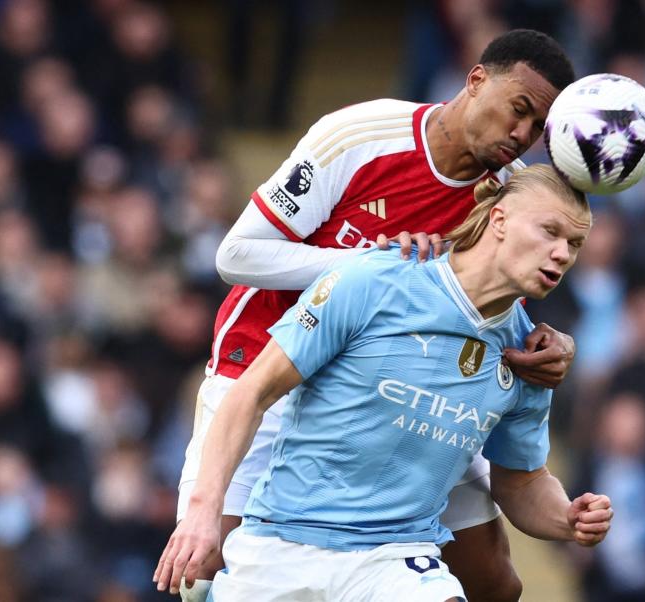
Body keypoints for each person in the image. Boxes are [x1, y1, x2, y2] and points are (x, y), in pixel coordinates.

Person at [173, 28, 578, 602]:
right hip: (269, 364)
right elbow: (235, 255)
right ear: (476, 79)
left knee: (494, 582)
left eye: (538, 128)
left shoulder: (506, 197)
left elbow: (494, 303)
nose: (522, 134)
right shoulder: (362, 134)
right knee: (203, 572)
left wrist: (552, 343)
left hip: (383, 386)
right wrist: (371, 264)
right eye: (519, 110)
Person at [155, 165, 613, 600]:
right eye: (550, 231)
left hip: (395, 554)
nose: (562, 253)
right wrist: (202, 513)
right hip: (284, 541)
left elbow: (522, 481)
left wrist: (568, 517)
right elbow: (251, 393)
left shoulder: (531, 356)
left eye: (574, 244)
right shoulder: (376, 280)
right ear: (499, 219)